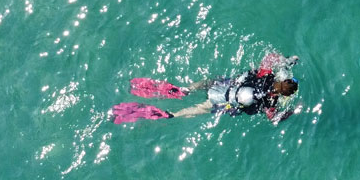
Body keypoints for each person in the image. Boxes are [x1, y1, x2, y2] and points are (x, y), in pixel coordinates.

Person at [111, 53, 299, 124]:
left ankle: (182, 91)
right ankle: (168, 114)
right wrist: (291, 112)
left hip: (223, 85)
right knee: (196, 109)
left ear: (284, 81)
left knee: (197, 87)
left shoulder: (267, 76)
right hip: (224, 102)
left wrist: (287, 61)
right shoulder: (271, 101)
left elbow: (269, 57)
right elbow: (272, 117)